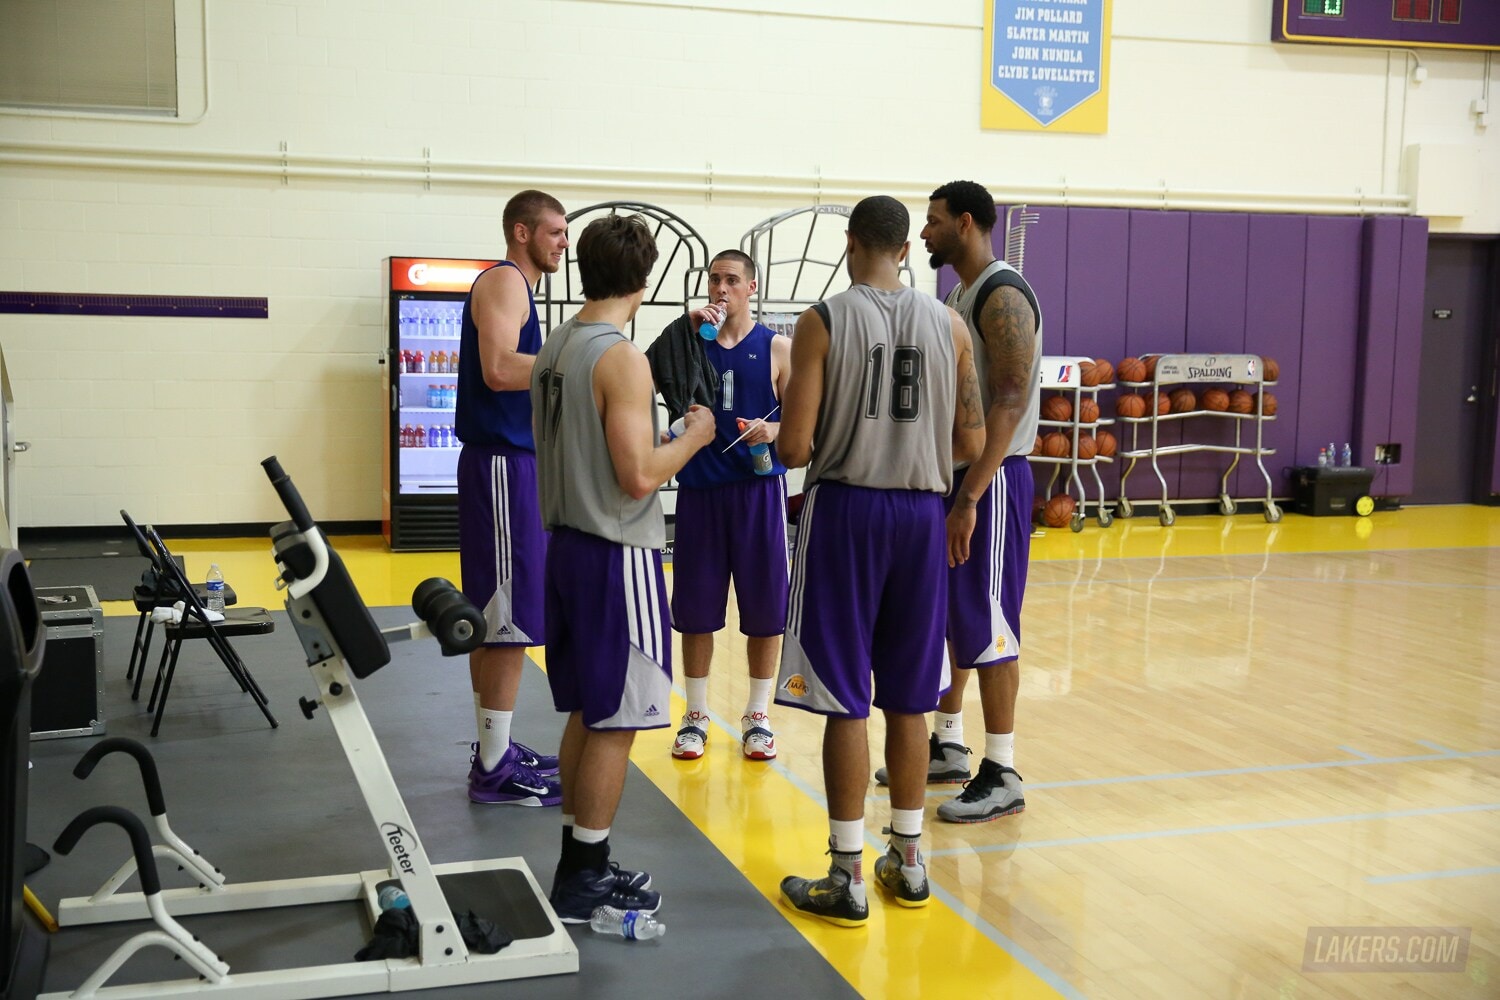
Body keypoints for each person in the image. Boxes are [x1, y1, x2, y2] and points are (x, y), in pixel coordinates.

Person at [773, 196, 985, 927]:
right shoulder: (950, 322)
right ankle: (911, 859)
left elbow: (795, 449)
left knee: (842, 696)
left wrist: (795, 411)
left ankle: (846, 874)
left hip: (848, 512)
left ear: (850, 242)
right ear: (902, 247)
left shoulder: (823, 320)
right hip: (922, 516)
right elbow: (970, 440)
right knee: (909, 697)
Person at [531, 213, 717, 921]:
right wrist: (695, 437)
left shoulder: (556, 347)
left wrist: (660, 438)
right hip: (615, 552)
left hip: (567, 548)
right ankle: (583, 877)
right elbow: (639, 477)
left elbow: (604, 449)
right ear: (646, 278)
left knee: (589, 708)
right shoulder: (622, 356)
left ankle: (583, 859)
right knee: (618, 718)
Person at [892, 179, 1043, 824]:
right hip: (960, 477)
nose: (923, 233)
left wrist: (972, 494)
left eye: (932, 221)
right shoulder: (959, 292)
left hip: (994, 478)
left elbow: (1009, 400)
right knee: (955, 617)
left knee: (990, 621)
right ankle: (949, 744)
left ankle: (1002, 769)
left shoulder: (1003, 292)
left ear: (967, 221)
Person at [455, 189, 570, 806]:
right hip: (500, 463)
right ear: (521, 232)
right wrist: (571, 360)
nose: (563, 241)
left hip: (509, 464)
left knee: (498, 617)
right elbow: (499, 369)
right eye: (553, 231)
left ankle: (494, 749)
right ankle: (495, 770)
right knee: (507, 619)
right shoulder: (505, 282)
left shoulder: (517, 289)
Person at [661, 250, 791, 762]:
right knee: (695, 612)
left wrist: (774, 429)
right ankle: (695, 714)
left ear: (751, 287)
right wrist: (685, 324)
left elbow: (806, 421)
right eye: (714, 279)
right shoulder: (691, 343)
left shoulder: (778, 348)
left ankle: (758, 715)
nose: (721, 288)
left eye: (731, 280)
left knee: (764, 612)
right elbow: (648, 367)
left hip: (758, 495)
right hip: (700, 492)